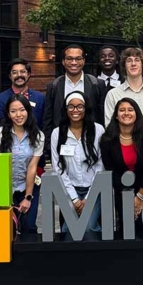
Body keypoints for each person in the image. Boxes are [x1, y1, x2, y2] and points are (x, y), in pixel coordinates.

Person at [100, 98, 143, 236]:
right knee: (126, 232)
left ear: (136, 113)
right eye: (122, 110)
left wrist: (140, 197)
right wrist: (128, 199)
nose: (126, 113)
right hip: (122, 192)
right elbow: (111, 171)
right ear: (116, 115)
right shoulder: (107, 139)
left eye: (130, 110)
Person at [50, 92, 105, 233]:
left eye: (80, 106)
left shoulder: (98, 130)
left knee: (88, 227)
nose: (75, 110)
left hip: (93, 189)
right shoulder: (57, 133)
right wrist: (74, 199)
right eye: (71, 107)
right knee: (69, 229)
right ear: (66, 109)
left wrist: (88, 198)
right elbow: (58, 168)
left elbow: (100, 166)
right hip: (69, 190)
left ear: (86, 108)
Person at [0, 94, 45, 231]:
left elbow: (32, 167)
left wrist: (28, 197)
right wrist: (3, 196)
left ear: (28, 111)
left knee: (29, 227)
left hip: (28, 186)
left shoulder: (38, 136)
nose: (18, 115)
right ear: (8, 114)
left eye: (22, 110)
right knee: (6, 229)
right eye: (13, 111)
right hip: (5, 188)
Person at [44, 44, 106, 139]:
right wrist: (48, 144)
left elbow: (102, 116)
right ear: (63, 61)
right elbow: (48, 120)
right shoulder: (53, 87)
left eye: (78, 59)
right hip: (62, 140)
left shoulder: (97, 85)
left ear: (83, 61)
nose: (74, 62)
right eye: (69, 59)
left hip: (90, 139)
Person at [104, 47, 143, 137]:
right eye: (129, 61)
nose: (133, 64)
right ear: (124, 65)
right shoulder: (113, 94)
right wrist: (126, 141)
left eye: (137, 60)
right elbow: (109, 124)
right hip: (121, 144)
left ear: (142, 64)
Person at [0, 58, 46, 129]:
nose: (19, 75)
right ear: (10, 76)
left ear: (28, 74)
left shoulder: (40, 98)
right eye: (14, 72)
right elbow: (1, 125)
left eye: (22, 71)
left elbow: (44, 123)